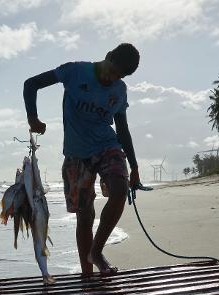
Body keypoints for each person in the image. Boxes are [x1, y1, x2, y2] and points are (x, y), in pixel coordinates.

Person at [23, 43, 141, 276]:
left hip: (108, 145)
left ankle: (96, 252)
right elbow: (31, 84)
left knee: (120, 189)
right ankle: (87, 275)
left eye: (118, 75)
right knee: (85, 215)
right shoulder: (75, 71)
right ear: (106, 56)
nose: (111, 77)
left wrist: (135, 166)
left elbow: (122, 128)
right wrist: (32, 117)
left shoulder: (119, 90)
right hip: (76, 153)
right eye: (111, 69)